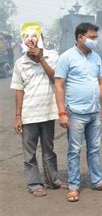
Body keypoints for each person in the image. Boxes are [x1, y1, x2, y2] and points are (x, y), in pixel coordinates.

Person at [55, 22, 102, 202]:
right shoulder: (66, 57)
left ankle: (97, 181)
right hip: (75, 112)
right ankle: (74, 187)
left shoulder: (96, 57)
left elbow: (101, 82)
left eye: (96, 37)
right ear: (80, 37)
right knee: (74, 150)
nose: (95, 41)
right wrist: (62, 113)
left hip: (94, 111)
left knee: (94, 148)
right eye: (92, 37)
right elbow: (59, 85)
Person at [10, 28, 65, 197]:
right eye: (27, 37)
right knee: (30, 152)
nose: (31, 40)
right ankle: (34, 184)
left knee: (49, 149)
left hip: (48, 112)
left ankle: (52, 180)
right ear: (24, 41)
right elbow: (19, 90)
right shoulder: (20, 63)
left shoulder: (52, 56)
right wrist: (18, 116)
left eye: (35, 36)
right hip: (29, 114)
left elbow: (55, 78)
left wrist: (41, 59)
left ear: (42, 39)